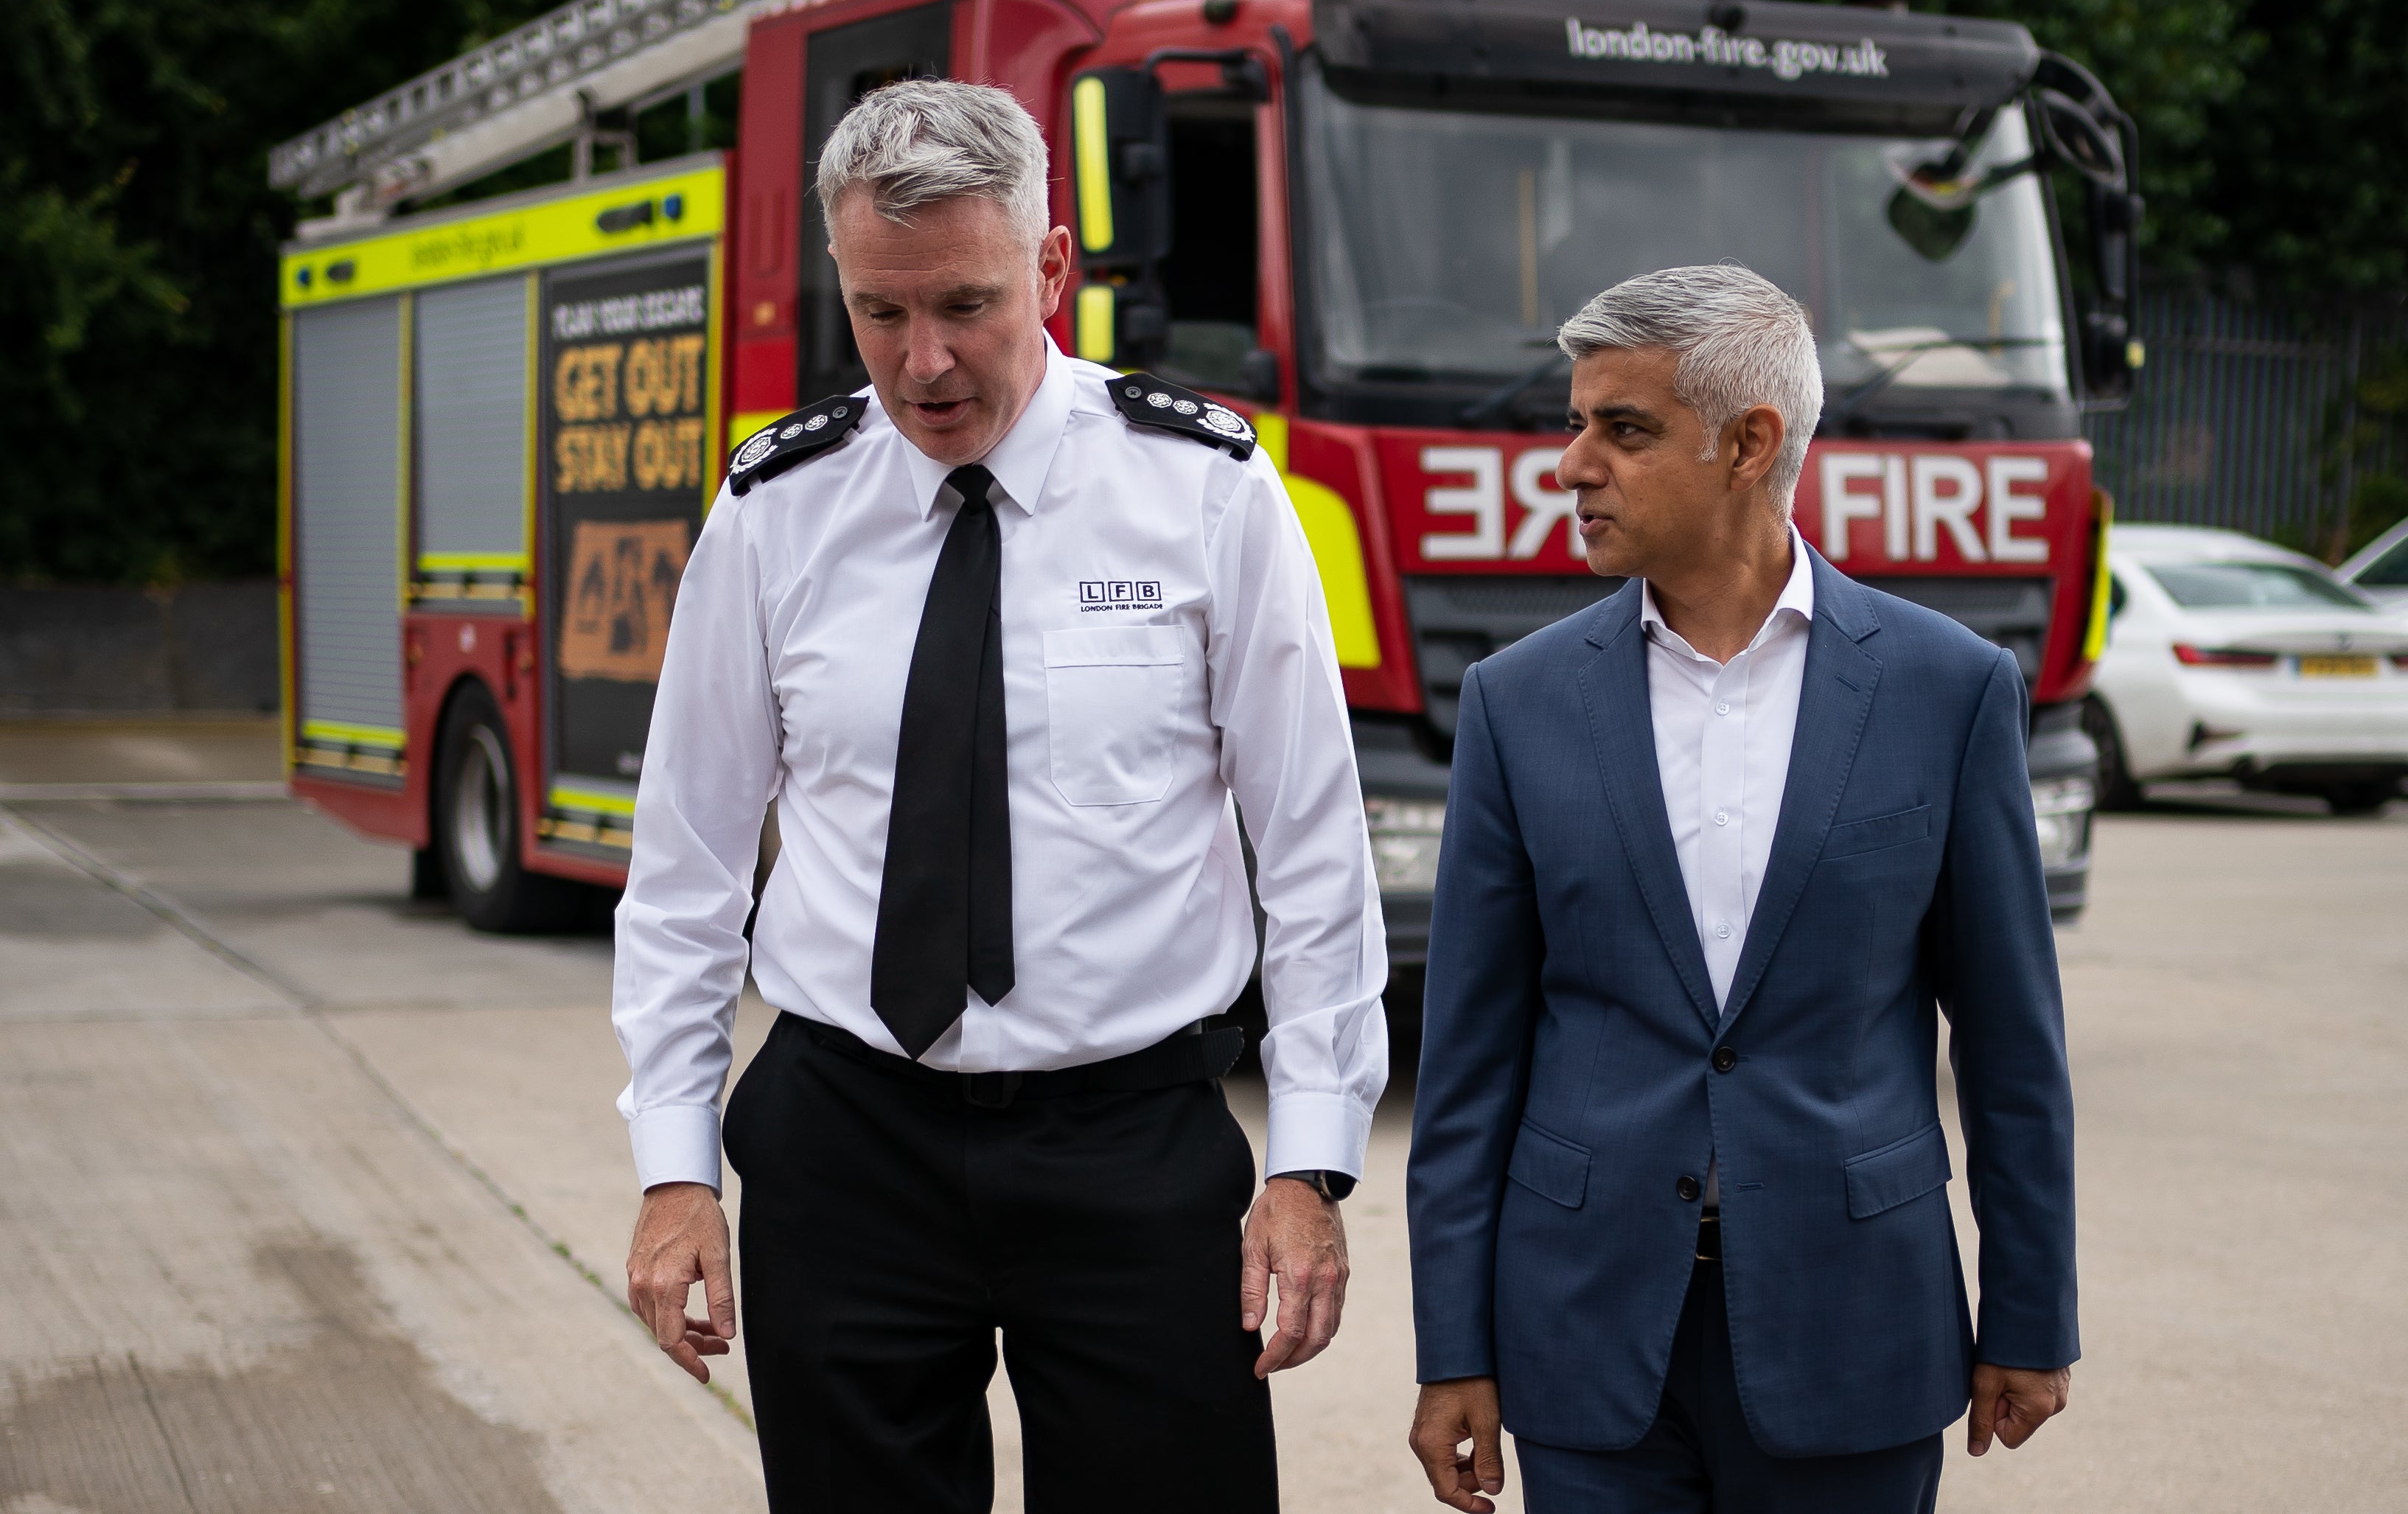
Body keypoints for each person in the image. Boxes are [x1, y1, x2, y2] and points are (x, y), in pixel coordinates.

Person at [610, 78, 1387, 1514]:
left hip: (1130, 1150)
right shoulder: (776, 508)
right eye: (879, 313)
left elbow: (1312, 856)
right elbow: (686, 870)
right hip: (846, 1144)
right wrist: (673, 1170)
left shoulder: (1203, 491)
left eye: (963, 304)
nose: (921, 364)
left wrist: (1312, 1164)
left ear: (1050, 266)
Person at [1404, 265, 2077, 1513]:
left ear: (1749, 444)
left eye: (1624, 427)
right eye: (1574, 422)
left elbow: (2011, 1046)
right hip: (1586, 1331)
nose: (1572, 465)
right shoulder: (1517, 703)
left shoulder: (1949, 689)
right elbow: (1467, 1069)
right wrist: (1455, 1344)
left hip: (1855, 1326)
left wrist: (2030, 1309)